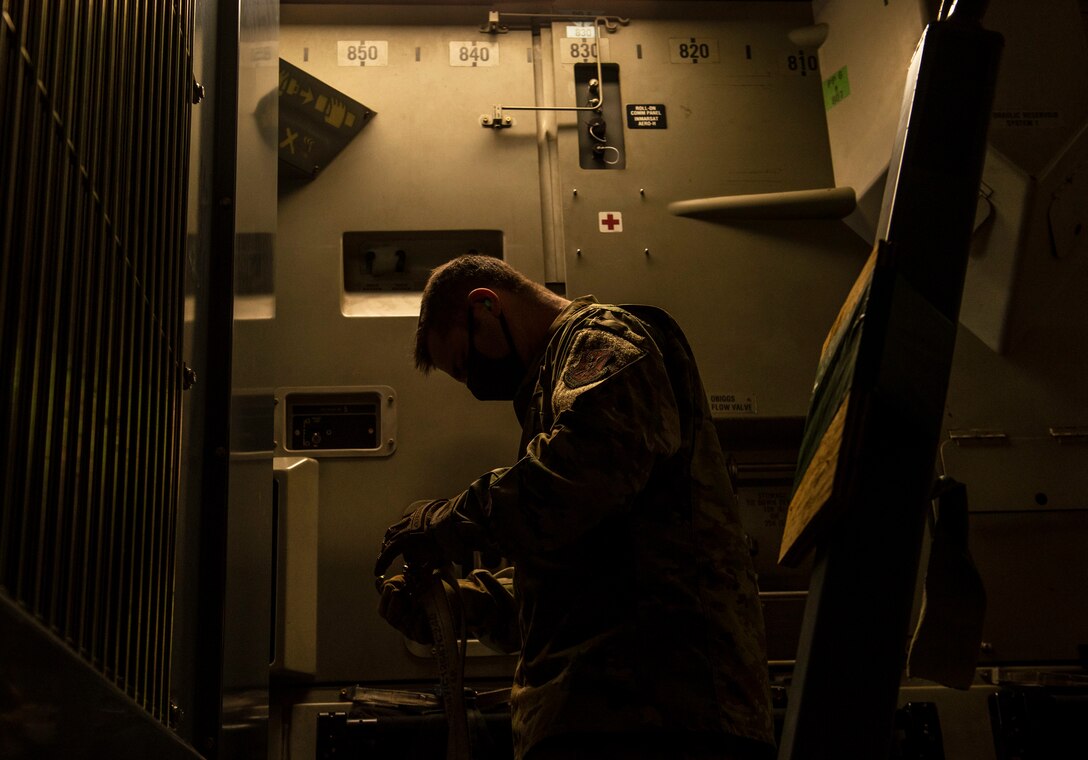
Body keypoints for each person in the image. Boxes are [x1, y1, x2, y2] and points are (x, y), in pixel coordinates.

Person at [375, 255, 776, 760]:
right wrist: (460, 605)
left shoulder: (601, 338)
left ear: (485, 305)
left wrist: (445, 524)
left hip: (662, 710)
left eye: (467, 361)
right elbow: (571, 585)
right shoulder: (551, 387)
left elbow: (585, 473)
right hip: (605, 711)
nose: (477, 385)